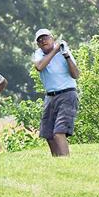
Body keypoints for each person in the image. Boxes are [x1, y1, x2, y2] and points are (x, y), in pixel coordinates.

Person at [33, 28, 80, 157]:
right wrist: (55, 50)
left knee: (59, 132)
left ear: (52, 38)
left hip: (67, 94)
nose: (43, 41)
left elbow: (76, 75)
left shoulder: (65, 51)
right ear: (38, 44)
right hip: (50, 97)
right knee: (48, 134)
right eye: (40, 40)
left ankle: (66, 162)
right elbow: (39, 66)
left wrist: (66, 55)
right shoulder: (39, 54)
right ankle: (57, 163)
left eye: (46, 38)